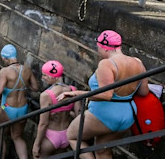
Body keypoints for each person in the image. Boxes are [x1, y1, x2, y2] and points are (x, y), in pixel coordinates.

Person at [58, 31, 149, 159]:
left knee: (73, 136)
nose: (98, 50)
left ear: (105, 47)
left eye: (98, 47)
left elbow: (106, 95)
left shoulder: (106, 64)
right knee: (102, 150)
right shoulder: (137, 62)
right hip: (128, 114)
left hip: (105, 113)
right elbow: (144, 92)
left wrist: (76, 94)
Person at [0, 44, 39, 159]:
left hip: (7, 107)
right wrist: (23, 85)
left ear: (5, 58)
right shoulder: (27, 69)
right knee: (17, 137)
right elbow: (35, 87)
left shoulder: (5, 71)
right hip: (23, 108)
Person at [33, 61, 81, 158]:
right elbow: (79, 115)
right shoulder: (73, 90)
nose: (42, 78)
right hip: (66, 135)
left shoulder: (46, 95)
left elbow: (43, 123)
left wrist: (36, 144)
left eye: (45, 75)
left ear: (53, 77)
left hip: (51, 136)